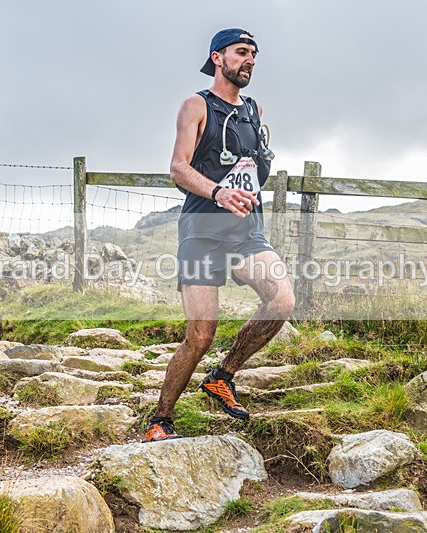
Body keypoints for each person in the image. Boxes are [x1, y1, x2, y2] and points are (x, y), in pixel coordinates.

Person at [142, 28, 295, 442]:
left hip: (246, 232)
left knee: (282, 300)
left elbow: (253, 166)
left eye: (254, 55)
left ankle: (222, 376)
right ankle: (161, 418)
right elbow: (178, 167)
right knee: (200, 335)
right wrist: (218, 191)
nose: (250, 61)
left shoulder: (254, 110)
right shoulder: (196, 105)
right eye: (241, 52)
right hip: (203, 231)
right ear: (217, 58)